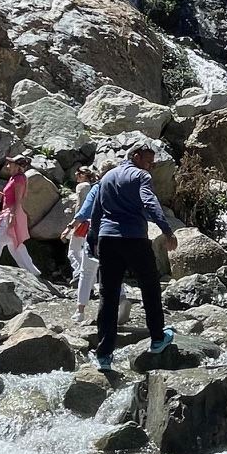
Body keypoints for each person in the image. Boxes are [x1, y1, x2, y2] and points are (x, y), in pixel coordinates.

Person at [81, 142, 179, 369]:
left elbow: (96, 212)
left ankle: (104, 356)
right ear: (135, 156)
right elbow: (149, 202)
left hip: (107, 240)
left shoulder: (106, 178)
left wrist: (93, 239)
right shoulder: (140, 177)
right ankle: (157, 339)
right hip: (134, 238)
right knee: (150, 286)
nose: (150, 167)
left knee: (109, 296)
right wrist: (166, 230)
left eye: (152, 164)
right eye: (148, 161)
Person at [0, 154, 41, 273]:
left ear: (17, 166)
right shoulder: (15, 178)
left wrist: (12, 217)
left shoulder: (19, 179)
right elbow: (9, 197)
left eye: (11, 163)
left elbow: (18, 200)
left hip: (10, 214)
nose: (8, 166)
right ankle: (33, 272)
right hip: (10, 213)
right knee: (15, 244)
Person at [68, 164, 99, 325]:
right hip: (99, 227)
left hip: (83, 224)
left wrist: (71, 225)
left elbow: (83, 207)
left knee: (73, 252)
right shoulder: (95, 186)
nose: (76, 174)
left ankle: (80, 310)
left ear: (83, 175)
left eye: (79, 172)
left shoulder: (82, 186)